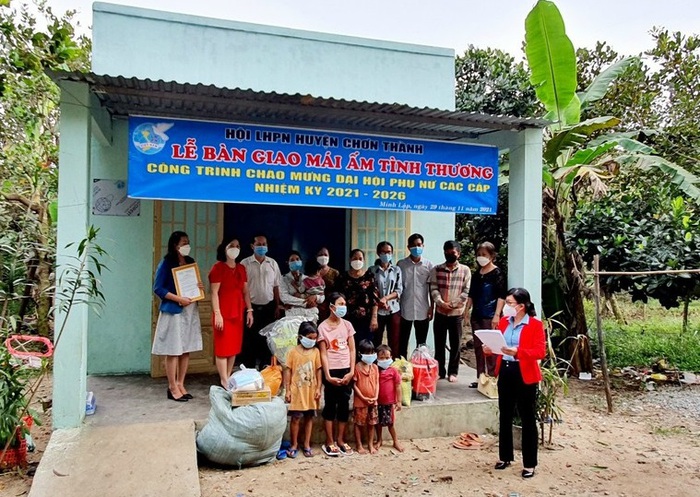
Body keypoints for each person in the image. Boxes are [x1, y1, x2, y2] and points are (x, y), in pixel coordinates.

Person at [483, 287, 545, 479]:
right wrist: (490, 349)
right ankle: (505, 456)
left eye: (509, 304)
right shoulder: (504, 322)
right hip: (506, 371)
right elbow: (499, 344)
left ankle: (529, 463)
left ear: (521, 306)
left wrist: (517, 352)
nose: (506, 307)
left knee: (527, 418)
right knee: (505, 414)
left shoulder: (535, 325)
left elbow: (539, 352)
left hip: (524, 373)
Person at [152, 231, 203, 402]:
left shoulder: (190, 262)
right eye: (183, 242)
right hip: (173, 311)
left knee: (185, 349)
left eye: (188, 242)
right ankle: (172, 386)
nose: (187, 245)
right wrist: (178, 298)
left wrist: (199, 287)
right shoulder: (166, 263)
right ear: (175, 245)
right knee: (173, 350)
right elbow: (158, 288)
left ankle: (181, 383)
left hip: (190, 310)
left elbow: (194, 284)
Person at [208, 237, 254, 388]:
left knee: (233, 348)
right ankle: (223, 380)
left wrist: (249, 310)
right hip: (223, 313)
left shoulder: (241, 268)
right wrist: (218, 314)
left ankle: (228, 377)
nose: (235, 248)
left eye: (237, 246)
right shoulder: (218, 268)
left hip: (238, 313)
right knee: (222, 349)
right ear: (224, 248)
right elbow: (214, 293)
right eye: (231, 245)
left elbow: (245, 291)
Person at [317, 292, 356, 457]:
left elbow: (352, 349)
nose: (343, 307)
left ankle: (340, 440)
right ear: (331, 307)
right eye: (340, 304)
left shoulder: (347, 325)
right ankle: (329, 441)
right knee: (330, 406)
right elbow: (323, 353)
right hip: (331, 370)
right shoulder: (322, 327)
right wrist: (327, 375)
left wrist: (352, 371)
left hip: (346, 369)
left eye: (344, 304)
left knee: (344, 406)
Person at [429, 240, 471, 382]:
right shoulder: (436, 269)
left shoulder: (465, 270)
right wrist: (440, 302)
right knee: (439, 344)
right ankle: (440, 371)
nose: (449, 255)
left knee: (456, 344)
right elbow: (433, 288)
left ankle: (453, 372)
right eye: (446, 252)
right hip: (440, 312)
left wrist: (452, 304)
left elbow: (466, 291)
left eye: (452, 253)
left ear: (458, 253)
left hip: (456, 314)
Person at [465, 241, 507, 388]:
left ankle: (492, 377)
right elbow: (471, 294)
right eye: (478, 255)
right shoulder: (477, 274)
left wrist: (497, 315)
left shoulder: (497, 273)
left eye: (484, 255)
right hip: (476, 314)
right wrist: (466, 311)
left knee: (491, 348)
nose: (480, 257)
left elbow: (502, 296)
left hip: (490, 316)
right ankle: (480, 377)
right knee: (478, 347)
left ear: (492, 256)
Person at [240, 234, 283, 369]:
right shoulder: (244, 264)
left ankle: (265, 367)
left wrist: (277, 306)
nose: (262, 247)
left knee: (267, 339)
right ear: (252, 246)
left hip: (268, 308)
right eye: (259, 244)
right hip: (250, 308)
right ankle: (249, 369)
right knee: (250, 340)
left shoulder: (273, 263)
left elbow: (276, 286)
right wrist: (247, 309)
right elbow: (241, 288)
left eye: (264, 244)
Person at [283, 321, 322, 458]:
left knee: (309, 418)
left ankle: (306, 444)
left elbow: (318, 371)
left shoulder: (316, 352)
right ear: (301, 337)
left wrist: (318, 388)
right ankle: (294, 444)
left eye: (314, 338)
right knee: (295, 418)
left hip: (310, 391)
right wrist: (287, 390)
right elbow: (287, 371)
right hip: (296, 391)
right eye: (310, 338)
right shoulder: (292, 352)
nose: (312, 341)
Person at [397, 233, 434, 359]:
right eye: (413, 245)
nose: (416, 248)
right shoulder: (401, 265)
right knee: (402, 341)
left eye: (419, 245)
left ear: (423, 246)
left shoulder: (429, 265)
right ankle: (402, 366)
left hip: (422, 309)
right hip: (404, 309)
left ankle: (420, 366)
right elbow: (398, 287)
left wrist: (431, 307)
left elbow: (431, 288)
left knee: (421, 343)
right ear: (408, 247)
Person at [334, 249, 376, 345]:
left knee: (365, 345)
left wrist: (374, 318)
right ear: (349, 260)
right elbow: (336, 298)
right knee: (347, 345)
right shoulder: (342, 277)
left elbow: (374, 299)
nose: (357, 261)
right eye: (354, 258)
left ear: (364, 261)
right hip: (346, 318)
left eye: (360, 258)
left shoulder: (369, 276)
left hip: (366, 319)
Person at [369, 241, 402, 355]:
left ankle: (393, 364)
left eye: (389, 252)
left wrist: (386, 298)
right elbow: (371, 289)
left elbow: (399, 290)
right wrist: (380, 302)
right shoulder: (372, 270)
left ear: (392, 253)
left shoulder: (397, 270)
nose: (386, 254)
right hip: (377, 310)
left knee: (394, 339)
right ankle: (377, 364)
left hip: (393, 309)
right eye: (383, 252)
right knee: (376, 338)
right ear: (378, 253)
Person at [375, 344, 403, 452]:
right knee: (378, 423)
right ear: (376, 358)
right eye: (381, 358)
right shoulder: (375, 370)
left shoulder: (393, 371)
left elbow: (398, 386)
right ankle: (379, 440)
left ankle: (395, 441)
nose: (384, 360)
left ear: (391, 357)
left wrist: (399, 401)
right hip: (377, 402)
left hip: (389, 402)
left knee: (390, 423)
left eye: (387, 358)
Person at [353, 340, 379, 454]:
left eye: (371, 353)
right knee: (358, 423)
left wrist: (376, 396)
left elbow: (377, 383)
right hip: (360, 402)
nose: (370, 356)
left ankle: (370, 444)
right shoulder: (357, 367)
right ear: (360, 354)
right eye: (367, 353)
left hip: (373, 401)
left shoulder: (375, 367)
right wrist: (363, 397)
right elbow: (354, 385)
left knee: (372, 423)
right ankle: (359, 445)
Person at [280, 251, 322, 322]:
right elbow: (285, 297)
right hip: (293, 315)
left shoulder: (308, 278)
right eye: (292, 260)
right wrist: (305, 303)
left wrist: (315, 297)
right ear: (287, 262)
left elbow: (321, 296)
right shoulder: (283, 279)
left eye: (297, 259)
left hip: (310, 314)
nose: (295, 262)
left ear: (301, 261)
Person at [315, 247, 339, 321]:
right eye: (320, 254)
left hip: (330, 306)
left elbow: (338, 292)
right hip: (315, 306)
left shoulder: (335, 273)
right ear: (316, 256)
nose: (323, 257)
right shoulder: (311, 273)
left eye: (325, 255)